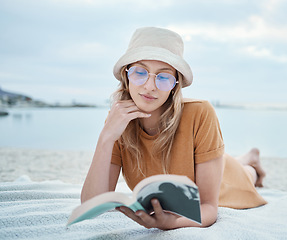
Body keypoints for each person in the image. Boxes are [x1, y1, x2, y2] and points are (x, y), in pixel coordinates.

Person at [81, 27, 267, 230]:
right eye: (140, 73)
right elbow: (92, 205)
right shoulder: (118, 121)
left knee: (246, 174)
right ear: (126, 76)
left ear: (174, 85)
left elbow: (208, 208)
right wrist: (106, 137)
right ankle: (247, 157)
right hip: (207, 162)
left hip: (226, 181)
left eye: (163, 77)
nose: (149, 86)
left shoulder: (200, 112)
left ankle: (250, 163)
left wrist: (172, 223)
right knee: (225, 161)